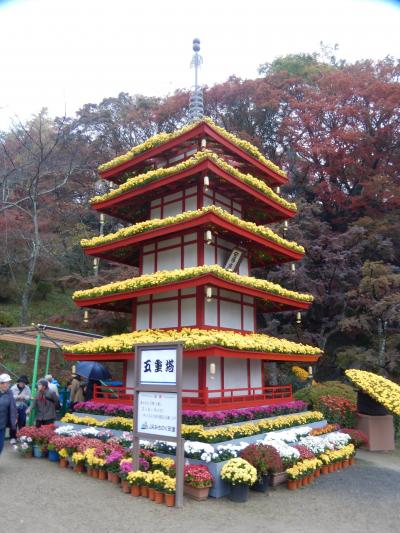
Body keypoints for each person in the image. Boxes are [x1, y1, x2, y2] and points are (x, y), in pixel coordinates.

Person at [9, 375, 31, 444]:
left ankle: (22, 437)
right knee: (13, 423)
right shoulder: (13, 388)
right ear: (19, 382)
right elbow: (11, 397)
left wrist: (24, 397)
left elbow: (29, 396)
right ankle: (13, 437)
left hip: (23, 406)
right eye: (21, 382)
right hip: (14, 407)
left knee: (22, 422)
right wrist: (18, 397)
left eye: (24, 383)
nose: (22, 384)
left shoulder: (27, 388)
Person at [0, 373, 17, 456]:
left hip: (2, 424)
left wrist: (14, 418)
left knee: (0, 445)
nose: (9, 385)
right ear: (1, 384)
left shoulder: (10, 393)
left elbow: (13, 407)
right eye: (7, 383)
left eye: (9, 383)